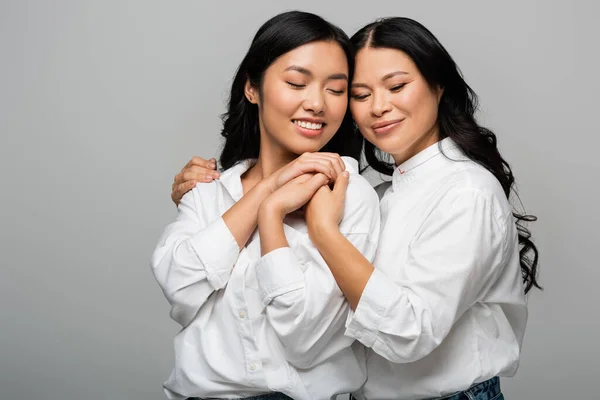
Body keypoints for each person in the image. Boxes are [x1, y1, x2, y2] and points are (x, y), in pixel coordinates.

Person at [171, 16, 540, 400]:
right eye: (361, 96)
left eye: (397, 86)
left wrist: (324, 231)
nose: (379, 107)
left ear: (438, 84)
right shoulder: (381, 193)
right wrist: (207, 203)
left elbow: (409, 332)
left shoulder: (466, 192)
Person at [150, 11, 380, 400]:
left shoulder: (349, 195)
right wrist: (268, 190)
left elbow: (307, 341)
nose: (316, 103)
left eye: (336, 90)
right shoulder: (209, 189)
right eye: (296, 82)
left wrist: (271, 216)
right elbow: (179, 286)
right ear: (252, 88)